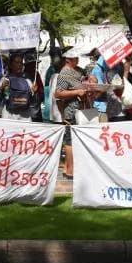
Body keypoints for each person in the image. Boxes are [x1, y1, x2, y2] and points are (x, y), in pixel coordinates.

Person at [53, 47, 88, 178]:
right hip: (71, 110)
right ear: (68, 59)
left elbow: (87, 78)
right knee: (70, 140)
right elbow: (58, 93)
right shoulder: (63, 73)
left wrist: (92, 80)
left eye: (77, 58)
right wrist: (76, 92)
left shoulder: (80, 70)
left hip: (84, 109)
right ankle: (70, 169)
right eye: (74, 58)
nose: (77, 60)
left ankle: (70, 167)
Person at [0, 52, 40, 121]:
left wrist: (35, 93)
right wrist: (1, 88)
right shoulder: (5, 80)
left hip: (25, 118)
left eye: (21, 63)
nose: (19, 65)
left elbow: (34, 103)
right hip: (9, 118)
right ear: (11, 65)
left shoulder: (28, 81)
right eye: (17, 62)